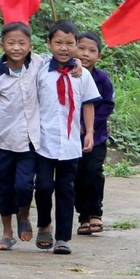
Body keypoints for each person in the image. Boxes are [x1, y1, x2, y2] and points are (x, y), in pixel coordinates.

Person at [34, 20, 101, 255]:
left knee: (66, 190)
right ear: (49, 44)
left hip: (71, 142)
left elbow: (88, 104)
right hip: (43, 141)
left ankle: (63, 238)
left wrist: (90, 132)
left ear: (76, 45)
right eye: (58, 43)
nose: (64, 48)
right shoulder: (41, 69)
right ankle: (44, 224)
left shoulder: (81, 75)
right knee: (42, 186)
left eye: (69, 43)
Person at [0, 22, 41, 251]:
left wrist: (75, 61)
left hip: (29, 140)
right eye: (11, 43)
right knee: (3, 186)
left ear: (30, 46)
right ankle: (7, 232)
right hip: (4, 139)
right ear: (2, 45)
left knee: (25, 186)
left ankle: (23, 215)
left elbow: (61, 59)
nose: (16, 47)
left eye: (21, 43)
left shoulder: (38, 64)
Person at [74, 31, 115, 236]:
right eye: (81, 48)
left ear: (99, 56)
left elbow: (107, 105)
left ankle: (95, 214)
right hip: (70, 137)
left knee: (93, 172)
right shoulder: (66, 74)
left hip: (96, 137)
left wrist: (88, 124)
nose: (85, 54)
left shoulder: (102, 79)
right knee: (77, 176)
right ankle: (83, 217)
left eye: (91, 50)